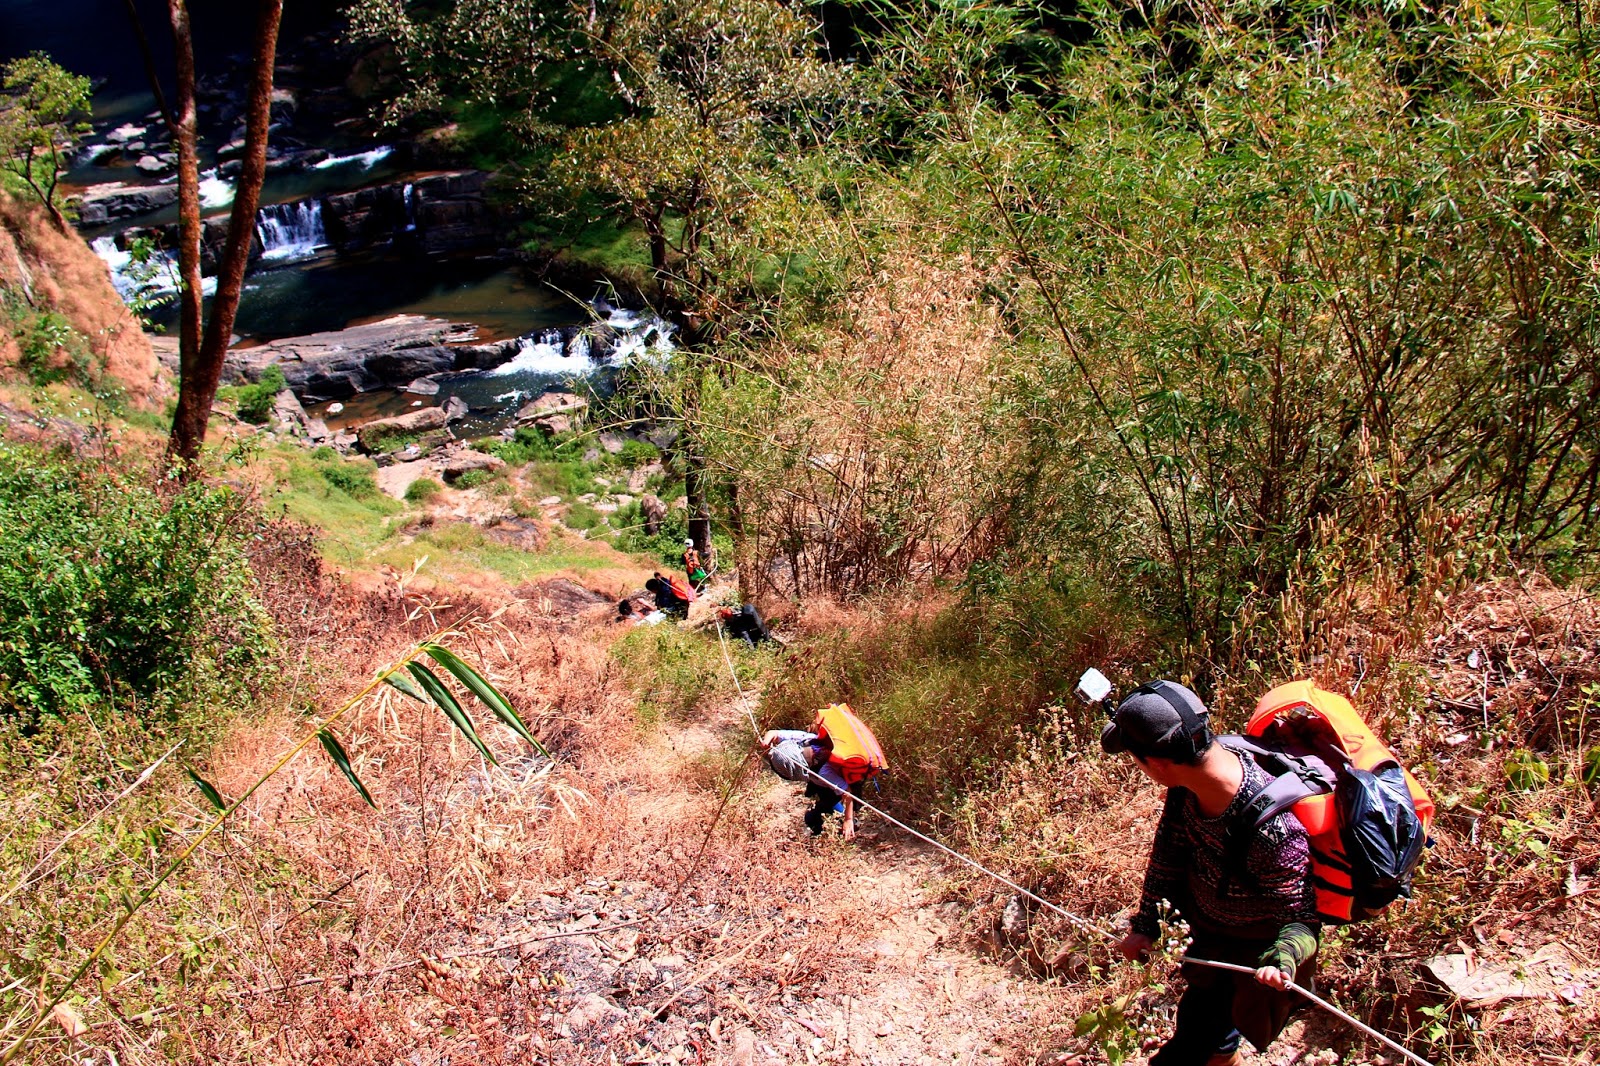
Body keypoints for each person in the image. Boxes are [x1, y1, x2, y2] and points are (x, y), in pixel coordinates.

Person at [1100, 681, 1319, 1066]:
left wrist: (1283, 959)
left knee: (1189, 1046)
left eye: (1135, 759)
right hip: (1206, 935)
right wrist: (1145, 925)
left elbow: (1301, 921)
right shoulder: (1188, 783)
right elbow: (1167, 855)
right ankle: (1222, 1056)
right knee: (1208, 1026)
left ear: (1157, 763)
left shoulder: (1275, 831)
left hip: (1249, 954)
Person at [759, 727, 862, 840]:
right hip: (819, 781)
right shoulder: (804, 739)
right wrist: (766, 742)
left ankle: (836, 825)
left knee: (817, 813)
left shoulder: (825, 773)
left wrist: (848, 820)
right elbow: (774, 733)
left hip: (833, 784)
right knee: (817, 795)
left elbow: (847, 792)